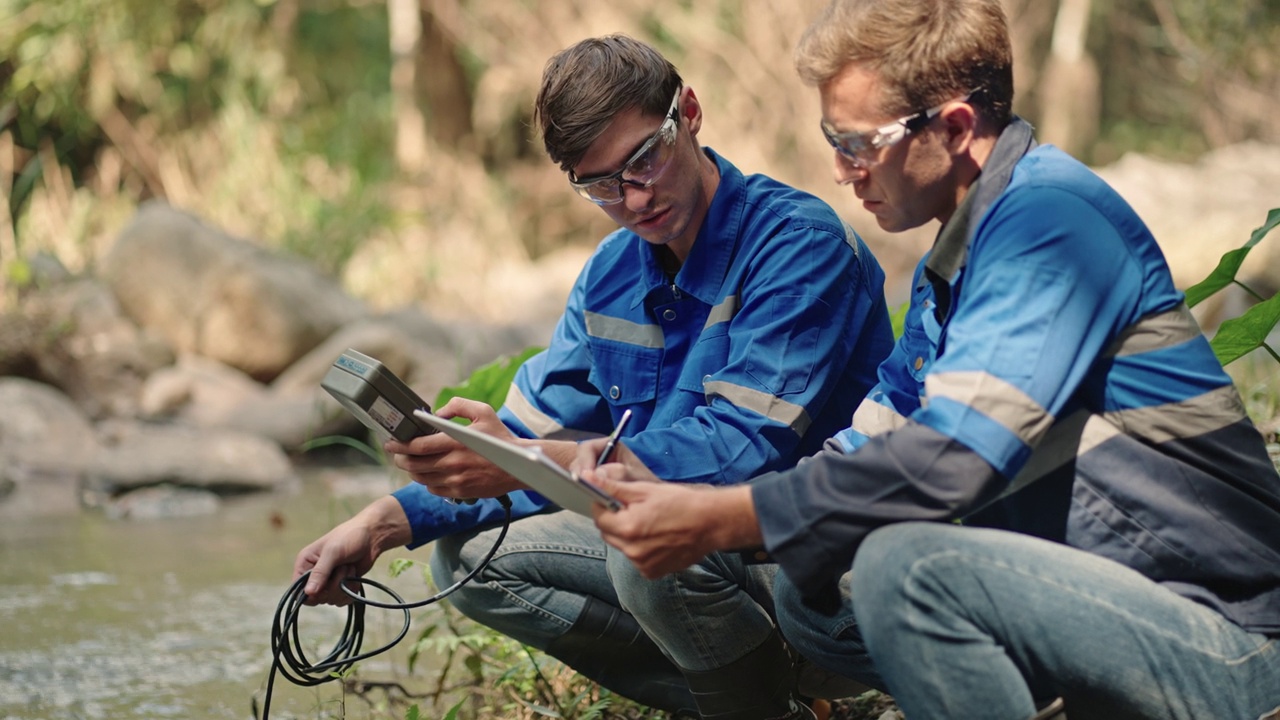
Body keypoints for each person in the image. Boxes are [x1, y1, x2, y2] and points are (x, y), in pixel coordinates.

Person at [575, 2, 1280, 719]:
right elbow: (871, 442)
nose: (843, 171)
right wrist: (708, 517)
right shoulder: (954, 265)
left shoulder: (1048, 223)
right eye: (832, 140)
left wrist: (730, 515)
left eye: (858, 143)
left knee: (903, 570)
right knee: (809, 580)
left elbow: (952, 460)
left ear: (955, 127)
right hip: (1102, 610)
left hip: (1227, 638)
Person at [293, 34, 895, 717]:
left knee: (648, 549)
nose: (633, 198)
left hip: (830, 572)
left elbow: (736, 452)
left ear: (689, 112)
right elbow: (527, 433)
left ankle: (778, 694)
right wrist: (384, 520)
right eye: (600, 184)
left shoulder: (799, 244)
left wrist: (524, 461)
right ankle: (767, 702)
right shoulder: (610, 274)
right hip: (713, 568)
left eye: (644, 159)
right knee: (466, 564)